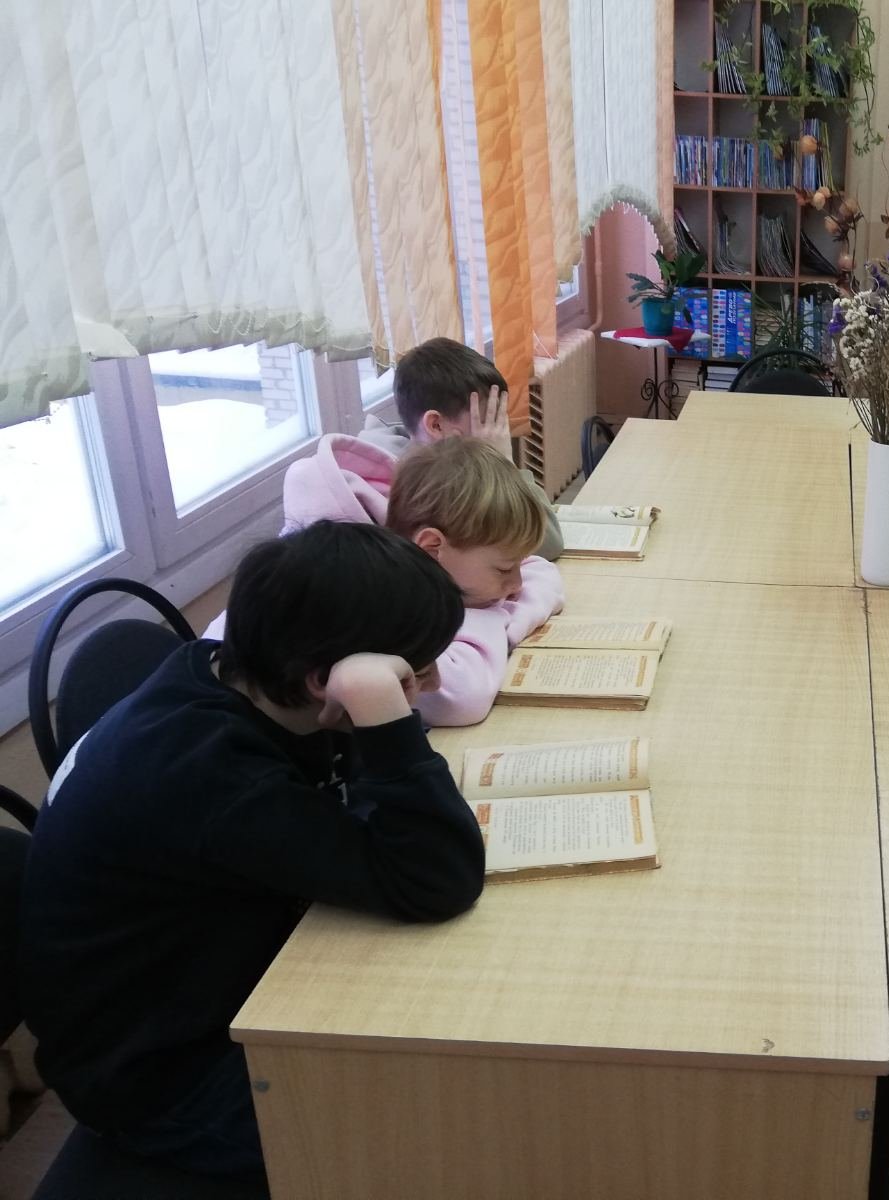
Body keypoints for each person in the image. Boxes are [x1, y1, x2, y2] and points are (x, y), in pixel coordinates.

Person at [19, 521, 486, 1177]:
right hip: (162, 1078)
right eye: (413, 672)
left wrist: (371, 724)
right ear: (328, 680)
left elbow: (363, 817)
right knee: (451, 1129)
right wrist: (384, 720)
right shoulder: (215, 778)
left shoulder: (231, 675)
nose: (429, 686)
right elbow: (438, 878)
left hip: (208, 980)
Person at [378, 437, 560, 723]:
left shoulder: (456, 575)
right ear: (433, 548)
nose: (517, 585)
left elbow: (544, 571)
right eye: (503, 569)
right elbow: (464, 699)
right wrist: (494, 617)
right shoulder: (386, 610)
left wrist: (508, 617)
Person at [362, 337, 563, 561]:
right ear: (436, 425)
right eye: (487, 419)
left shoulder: (430, 461)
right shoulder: (414, 490)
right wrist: (501, 464)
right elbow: (545, 543)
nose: (498, 433)